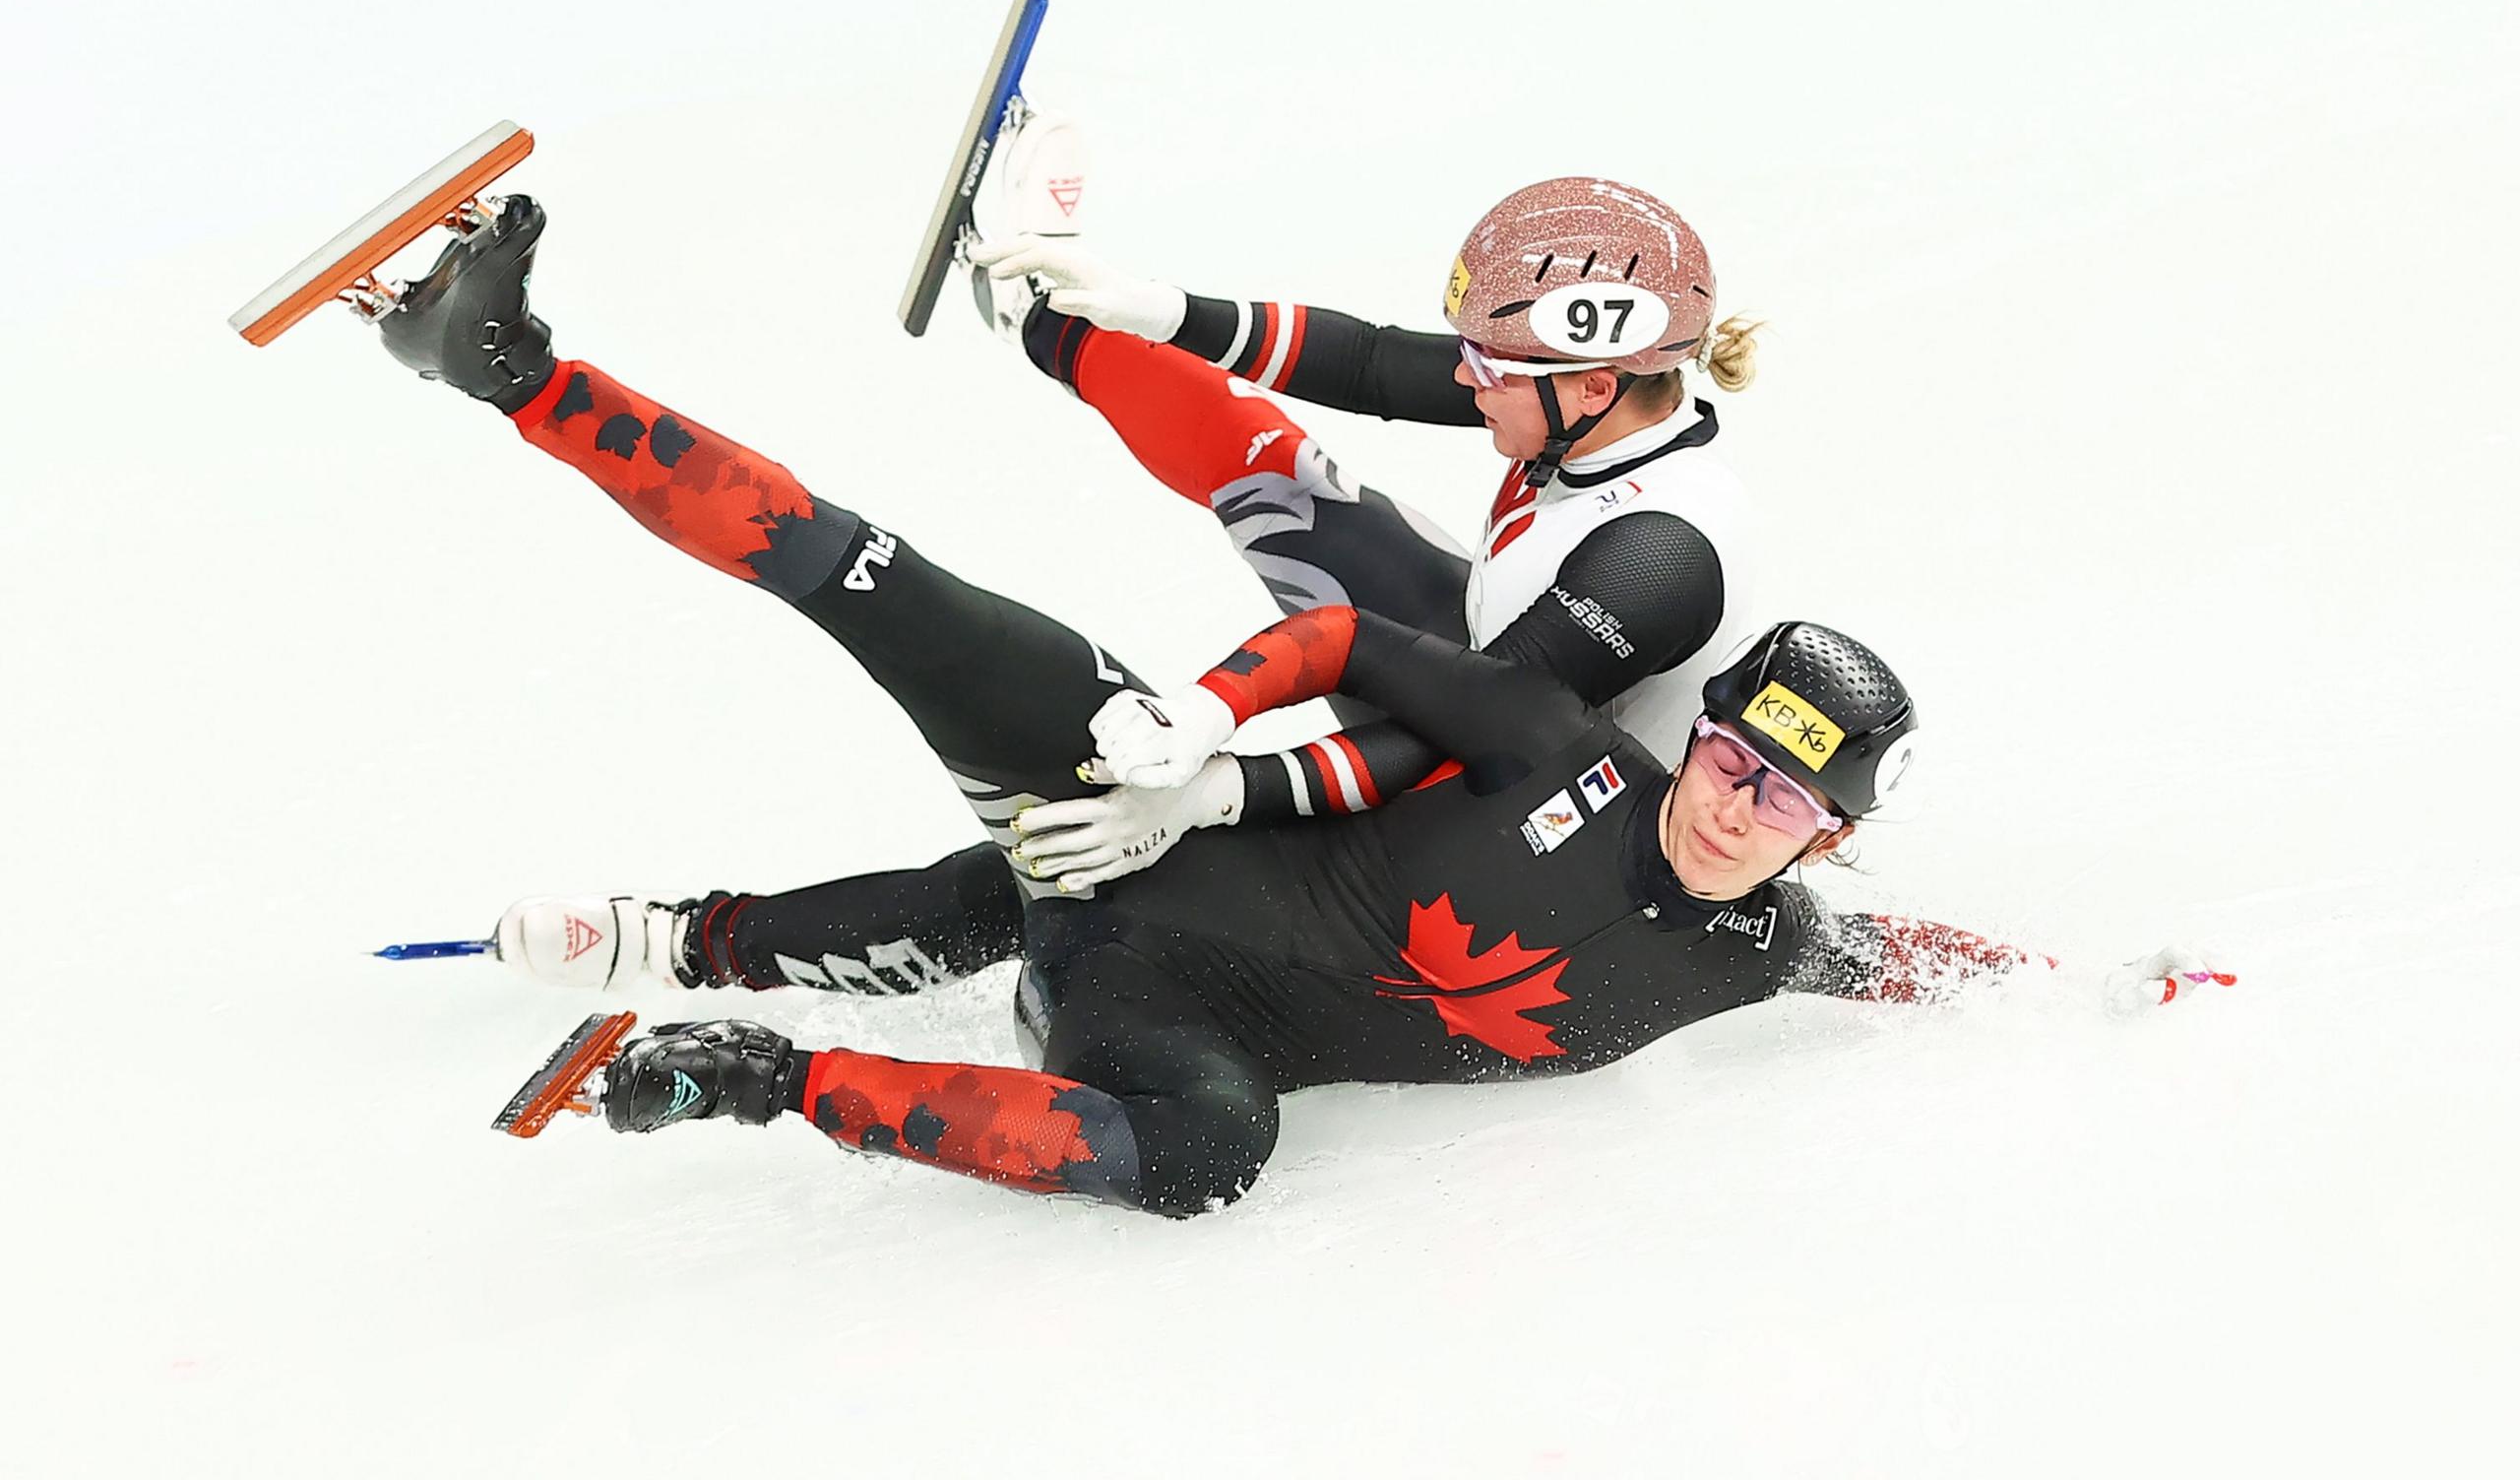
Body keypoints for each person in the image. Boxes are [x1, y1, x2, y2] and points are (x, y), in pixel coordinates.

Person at [359, 190, 2211, 1220]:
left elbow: (1890, 951)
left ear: (1829, 834)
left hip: (1338, 869)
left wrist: (2099, 986)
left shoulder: (1678, 640)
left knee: (1165, 1071)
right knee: (932, 581)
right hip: (1377, 792)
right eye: (1730, 757)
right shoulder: (1571, 622)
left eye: (1779, 801)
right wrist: (1203, 730)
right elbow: (1391, 599)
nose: (1736, 801)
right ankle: (513, 366)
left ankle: (725, 1000)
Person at [495, 133, 1788, 983]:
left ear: (1604, 380)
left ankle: (695, 947)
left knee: (1090, 846)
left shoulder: (1657, 556)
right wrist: (1144, 306)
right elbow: (1383, 364)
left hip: (1539, 842)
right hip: (1513, 713)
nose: (1466, 379)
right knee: (1285, 477)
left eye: (1492, 370)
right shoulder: (1591, 416)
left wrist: (1219, 791)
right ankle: (1037, 313)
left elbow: (1470, 736)